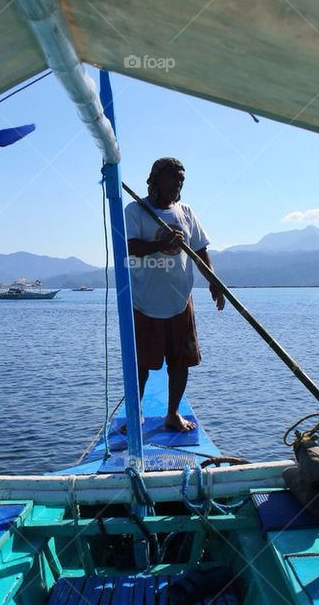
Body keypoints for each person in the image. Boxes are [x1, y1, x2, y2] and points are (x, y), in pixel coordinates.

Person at [125, 157, 225, 432]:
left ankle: (172, 414)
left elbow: (201, 250)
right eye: (173, 178)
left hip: (180, 301)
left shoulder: (187, 212)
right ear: (155, 180)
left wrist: (214, 282)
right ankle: (135, 415)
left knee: (180, 363)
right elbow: (129, 247)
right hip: (144, 301)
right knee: (142, 366)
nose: (179, 184)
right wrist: (161, 243)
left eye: (181, 179)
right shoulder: (135, 210)